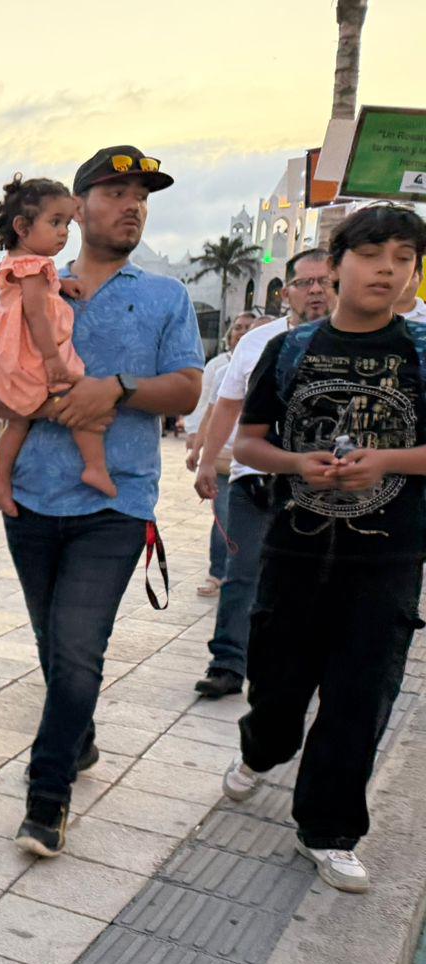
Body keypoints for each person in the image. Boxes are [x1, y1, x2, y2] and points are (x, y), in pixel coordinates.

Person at [0, 145, 204, 857]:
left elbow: (188, 389)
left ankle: (46, 798)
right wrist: (46, 405)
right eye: (115, 191)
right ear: (74, 208)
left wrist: (116, 390)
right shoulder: (27, 281)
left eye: (142, 196)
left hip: (117, 501)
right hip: (32, 500)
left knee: (76, 645)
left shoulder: (165, 297)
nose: (132, 205)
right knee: (57, 647)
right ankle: (82, 734)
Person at [223, 204, 426, 894]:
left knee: (359, 699)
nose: (389, 270)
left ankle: (330, 830)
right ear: (336, 267)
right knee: (277, 697)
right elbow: (247, 444)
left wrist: (390, 460)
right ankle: (260, 750)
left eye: (404, 258)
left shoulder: (421, 353)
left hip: (389, 561)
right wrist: (293, 464)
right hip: (296, 554)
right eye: (373, 256)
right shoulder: (290, 351)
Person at [192, 250, 331, 699]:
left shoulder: (356, 341)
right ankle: (228, 663)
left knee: (313, 577)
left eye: (324, 281)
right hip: (255, 476)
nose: (315, 290)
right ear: (286, 290)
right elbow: (227, 403)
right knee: (243, 570)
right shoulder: (260, 342)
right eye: (305, 282)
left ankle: (297, 668)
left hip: (328, 485)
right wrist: (209, 461)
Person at [0, 176, 111, 517]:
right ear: (22, 227)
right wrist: (52, 358)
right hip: (34, 355)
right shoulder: (34, 268)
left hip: (11, 355)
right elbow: (36, 315)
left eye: (67, 223)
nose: (64, 232)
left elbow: (37, 296)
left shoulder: (26, 267)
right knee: (79, 400)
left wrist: (61, 284)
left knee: (19, 421)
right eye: (55, 222)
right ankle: (94, 466)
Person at [187, 310, 261, 596]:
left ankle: (243, 574)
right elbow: (210, 409)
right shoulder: (219, 369)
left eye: (248, 328)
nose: (241, 333)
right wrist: (198, 446)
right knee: (223, 518)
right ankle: (218, 573)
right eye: (238, 328)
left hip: (254, 459)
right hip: (223, 459)